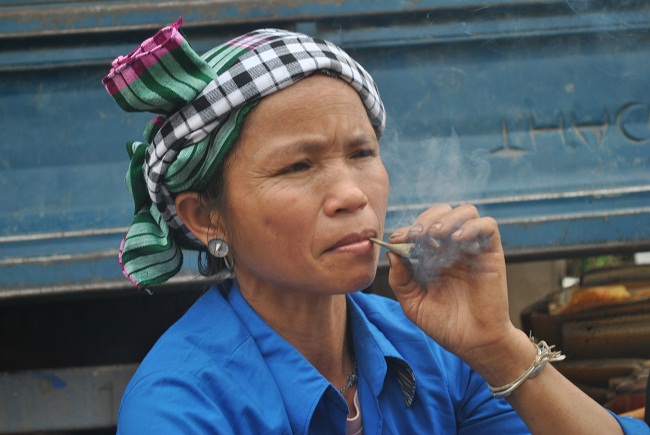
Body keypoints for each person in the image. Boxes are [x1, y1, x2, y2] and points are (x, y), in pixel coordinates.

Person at [103, 18, 649, 434]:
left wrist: (496, 344)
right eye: (299, 166)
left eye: (362, 153)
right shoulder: (180, 405)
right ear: (205, 217)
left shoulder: (430, 350)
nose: (352, 194)